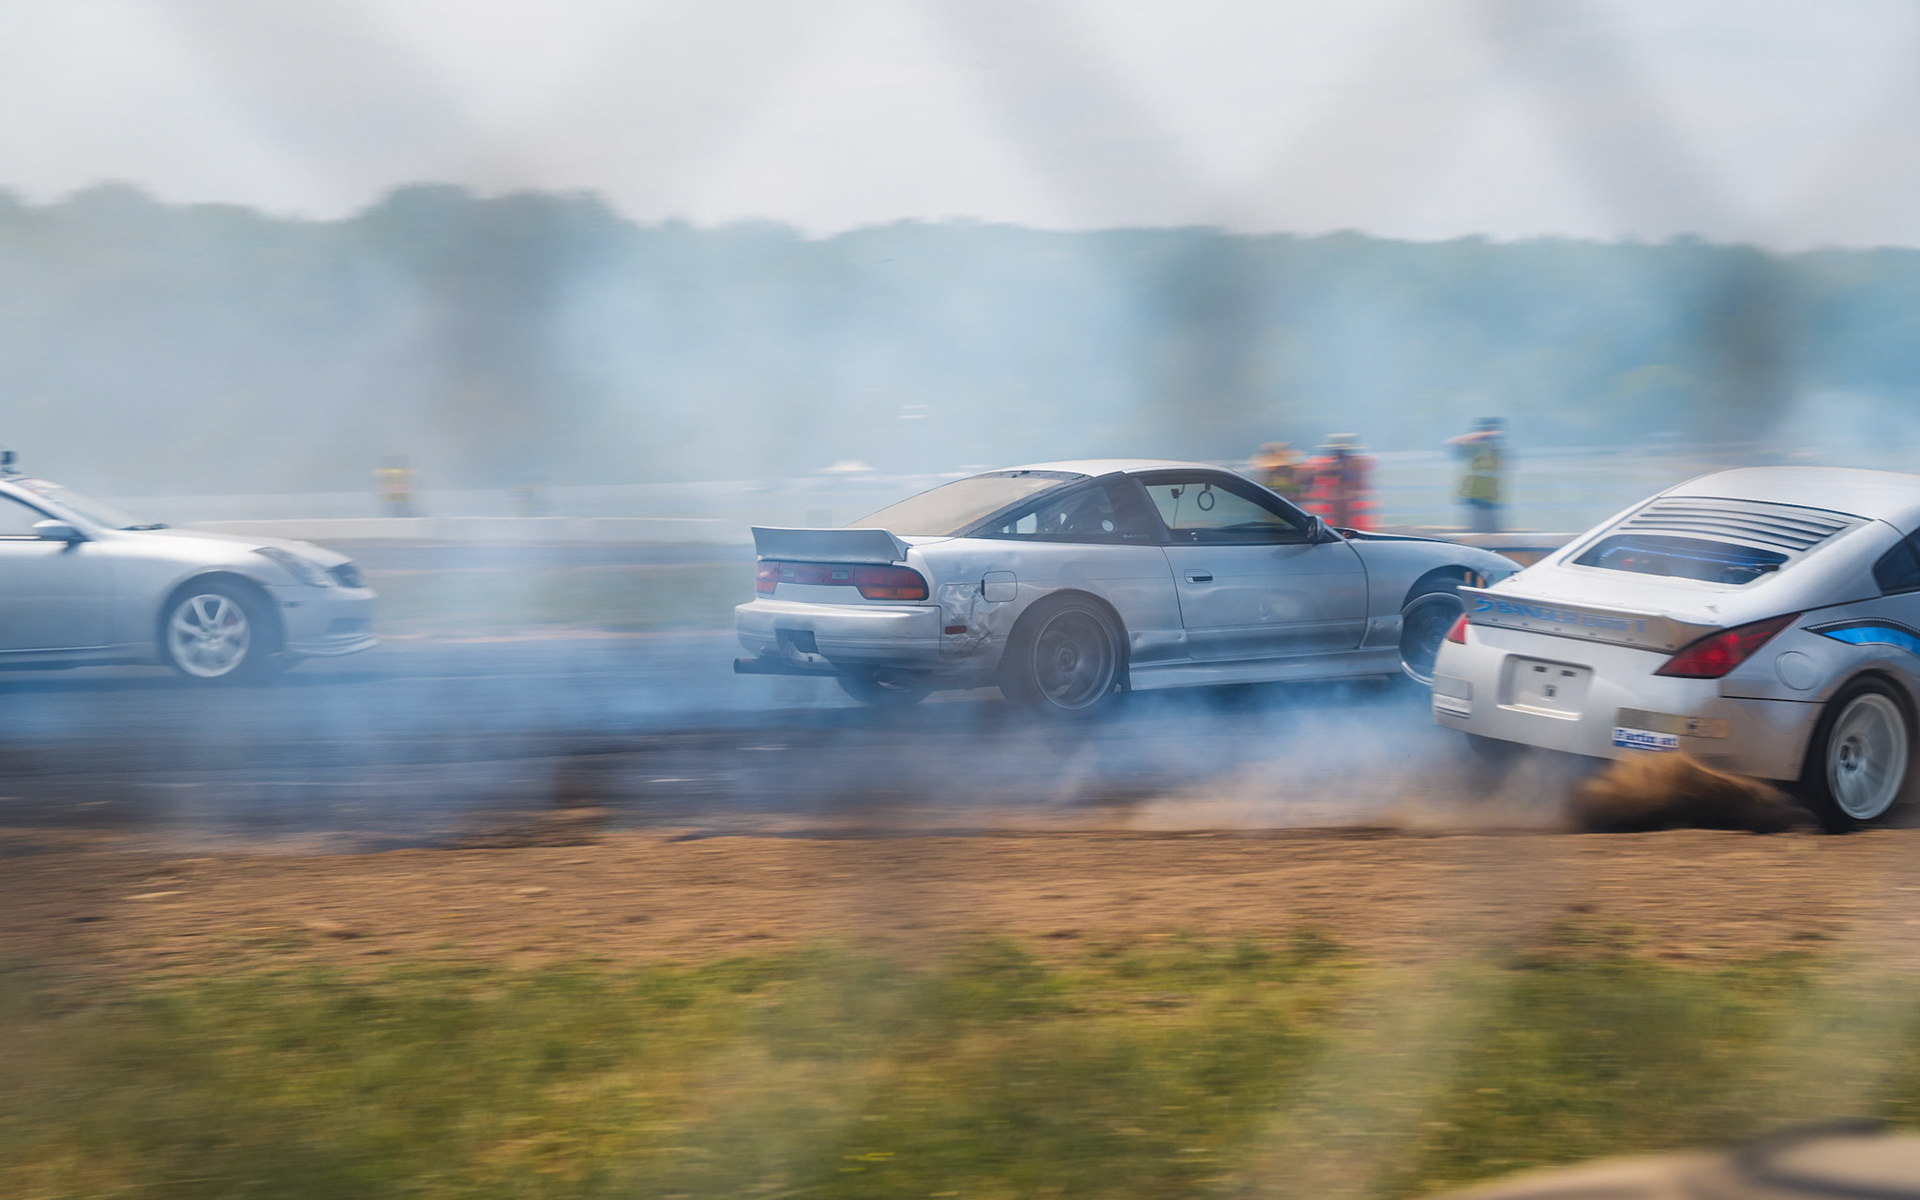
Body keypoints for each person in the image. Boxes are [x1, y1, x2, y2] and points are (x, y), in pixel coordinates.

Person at [1302, 433, 1376, 531]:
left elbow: (1360, 486)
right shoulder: (1333, 467)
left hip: (1344, 503)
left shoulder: (1353, 466)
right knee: (1340, 520)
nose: (1341, 457)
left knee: (1343, 520)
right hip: (1338, 502)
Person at [1447, 417, 1506, 534]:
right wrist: (1484, 434)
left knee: (1491, 527)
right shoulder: (1475, 447)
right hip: (1475, 493)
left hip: (1490, 495)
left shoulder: (1495, 449)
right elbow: (1454, 442)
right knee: (1479, 527)